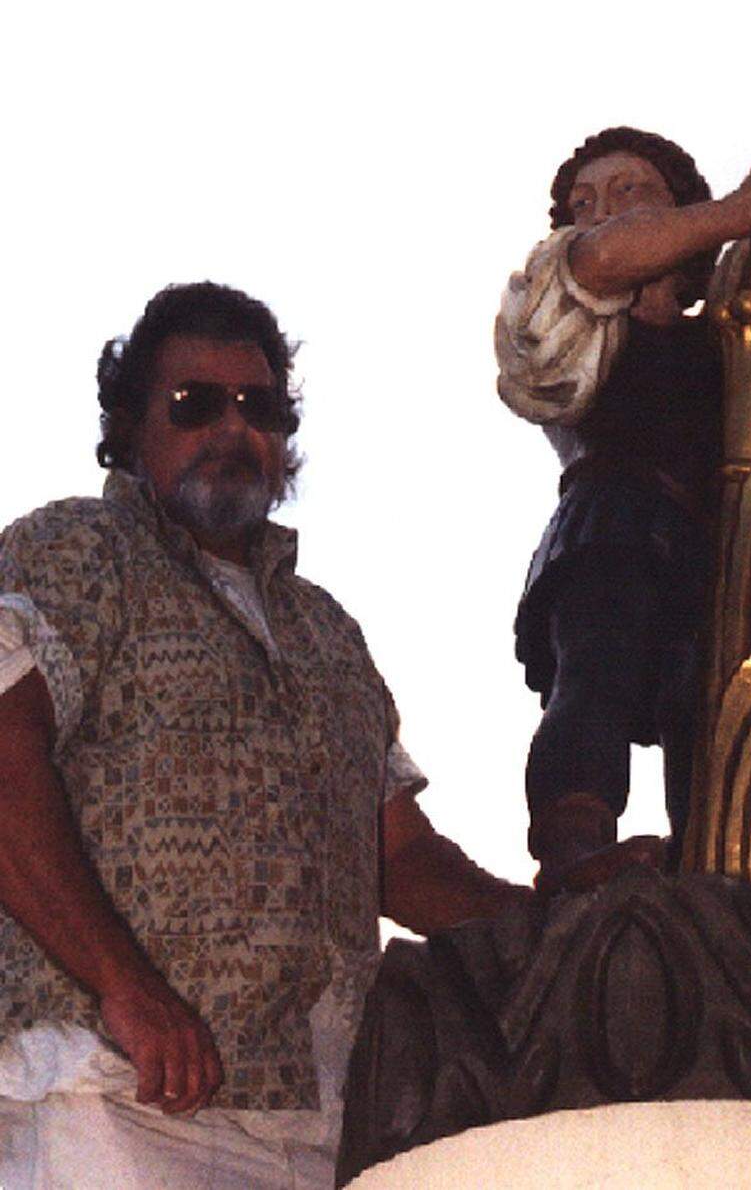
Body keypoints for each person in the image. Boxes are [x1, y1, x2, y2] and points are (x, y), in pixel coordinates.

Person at [0, 282, 528, 1190]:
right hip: (111, 1098)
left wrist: (581, 926)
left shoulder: (328, 632)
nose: (232, 427)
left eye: (260, 405)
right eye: (194, 403)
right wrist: (126, 986)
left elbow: (400, 860)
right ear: (130, 429)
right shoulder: (75, 552)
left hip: (315, 1127)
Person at [495, 0, 751, 888]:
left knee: (721, 694)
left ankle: (722, 860)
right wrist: (743, 203)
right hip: (614, 525)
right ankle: (577, 842)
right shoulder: (572, 313)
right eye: (584, 199)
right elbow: (600, 260)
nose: (603, 210)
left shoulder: (731, 329)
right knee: (599, 672)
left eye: (631, 190)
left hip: (722, 533)